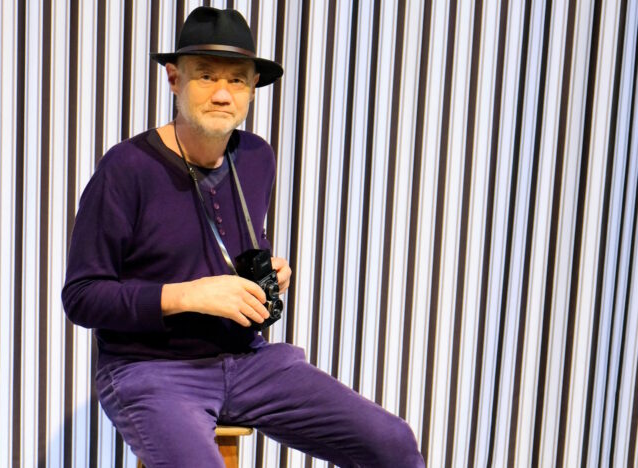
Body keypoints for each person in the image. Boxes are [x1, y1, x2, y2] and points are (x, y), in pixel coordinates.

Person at [62, 7, 424, 467]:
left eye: (237, 80)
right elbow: (82, 297)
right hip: (150, 368)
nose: (221, 93)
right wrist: (189, 295)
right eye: (206, 75)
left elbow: (229, 240)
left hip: (250, 361)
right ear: (175, 79)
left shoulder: (256, 157)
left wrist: (271, 267)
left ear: (252, 89)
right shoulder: (125, 168)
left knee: (392, 443)